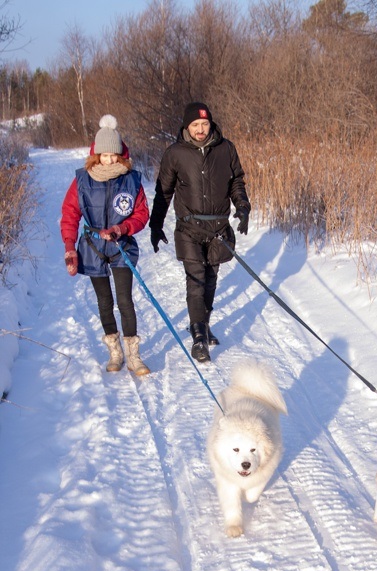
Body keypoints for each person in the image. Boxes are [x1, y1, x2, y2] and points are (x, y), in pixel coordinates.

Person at [149, 101, 251, 363]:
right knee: (195, 280)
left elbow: (236, 180)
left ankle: (203, 324)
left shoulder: (226, 149)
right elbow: (164, 192)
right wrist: (155, 224)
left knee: (211, 279)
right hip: (189, 228)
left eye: (204, 124)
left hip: (218, 226)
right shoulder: (175, 153)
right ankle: (198, 337)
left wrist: (242, 206)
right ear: (187, 126)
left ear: (211, 124)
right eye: (195, 125)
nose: (200, 129)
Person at [60, 114, 151, 376]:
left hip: (121, 245)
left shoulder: (131, 179)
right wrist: (69, 247)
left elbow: (141, 214)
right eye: (104, 155)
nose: (109, 160)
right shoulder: (82, 180)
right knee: (104, 301)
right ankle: (115, 351)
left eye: (114, 155)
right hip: (93, 246)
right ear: (96, 154)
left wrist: (123, 228)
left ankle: (134, 355)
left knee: (125, 300)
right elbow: (69, 215)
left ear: (121, 154)